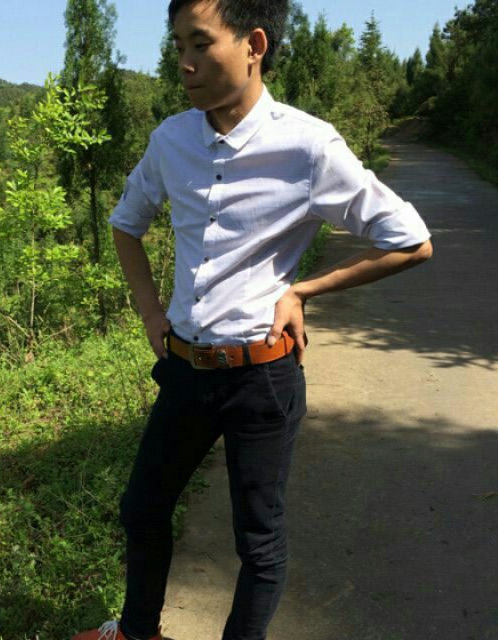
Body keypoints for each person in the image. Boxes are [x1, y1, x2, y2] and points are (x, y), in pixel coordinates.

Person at [72, 0, 433, 638]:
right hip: (185, 369)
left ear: (254, 44)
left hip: (261, 379)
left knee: (258, 541)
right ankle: (136, 632)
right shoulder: (171, 140)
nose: (184, 63)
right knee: (142, 508)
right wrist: (150, 311)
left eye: (201, 43)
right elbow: (127, 224)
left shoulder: (307, 145)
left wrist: (303, 291)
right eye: (178, 45)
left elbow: (410, 240)